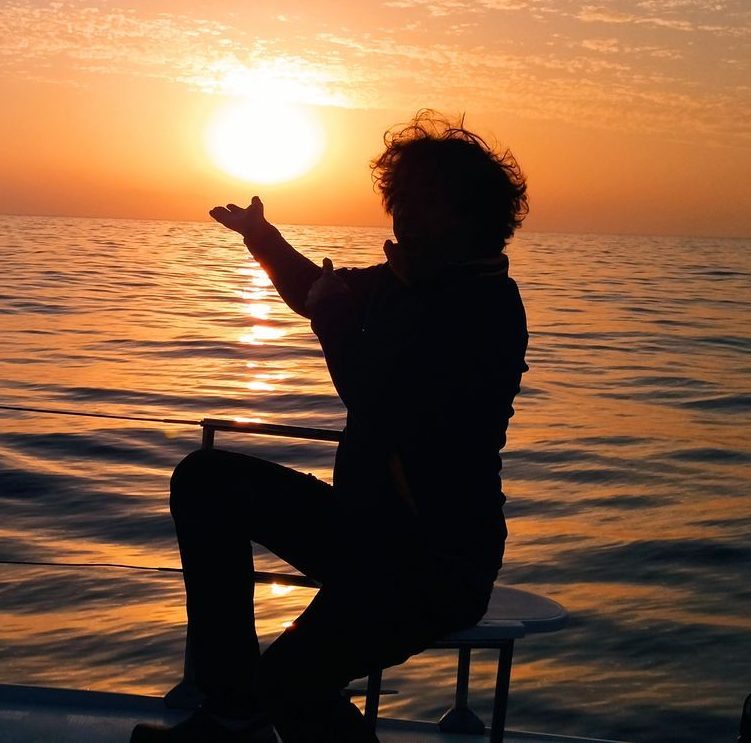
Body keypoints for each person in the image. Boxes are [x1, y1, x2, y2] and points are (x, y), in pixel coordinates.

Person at [134, 111, 531, 743]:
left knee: (289, 682)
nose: (405, 217)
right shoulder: (406, 282)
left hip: (436, 565)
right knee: (205, 481)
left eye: (424, 202)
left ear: (471, 216)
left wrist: (335, 323)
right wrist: (262, 239)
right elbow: (315, 290)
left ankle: (257, 704)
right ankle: (233, 709)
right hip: (364, 532)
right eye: (401, 200)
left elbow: (383, 403)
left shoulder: (485, 310)